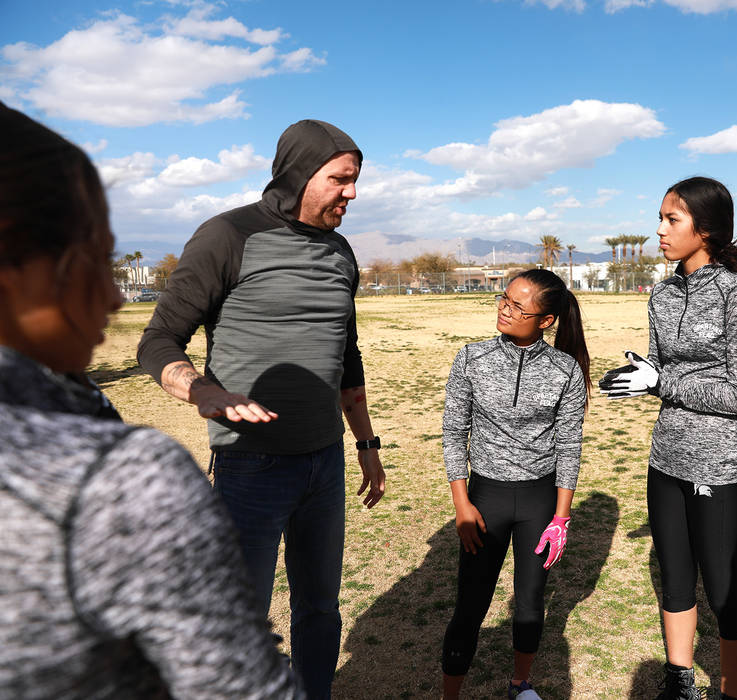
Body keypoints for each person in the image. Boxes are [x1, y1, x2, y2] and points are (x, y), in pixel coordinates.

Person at [0, 103, 302, 698]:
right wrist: (201, 388)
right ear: (17, 269)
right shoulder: (111, 476)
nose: (114, 298)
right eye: (93, 260)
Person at [138, 119, 385, 699]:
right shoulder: (227, 236)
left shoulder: (340, 251)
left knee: (320, 610)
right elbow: (157, 341)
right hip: (249, 468)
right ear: (300, 174)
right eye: (340, 180)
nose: (352, 193)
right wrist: (202, 391)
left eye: (355, 181)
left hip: (324, 465)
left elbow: (345, 357)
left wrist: (367, 445)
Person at [600, 176, 737, 700]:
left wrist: (662, 382)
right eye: (661, 218)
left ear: (708, 228)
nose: (660, 230)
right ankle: (680, 685)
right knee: (674, 579)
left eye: (672, 219)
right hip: (665, 459)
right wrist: (641, 378)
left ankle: (731, 693)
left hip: (717, 467)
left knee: (724, 591)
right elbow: (664, 372)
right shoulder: (664, 292)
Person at [441, 269, 590, 700]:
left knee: (529, 602)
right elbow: (454, 432)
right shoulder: (471, 357)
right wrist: (462, 504)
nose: (505, 309)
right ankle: (450, 694)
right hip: (484, 497)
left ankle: (520, 684)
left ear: (545, 321)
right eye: (503, 299)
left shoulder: (566, 370)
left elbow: (569, 445)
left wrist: (561, 518)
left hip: (539, 502)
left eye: (518, 306)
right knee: (470, 604)